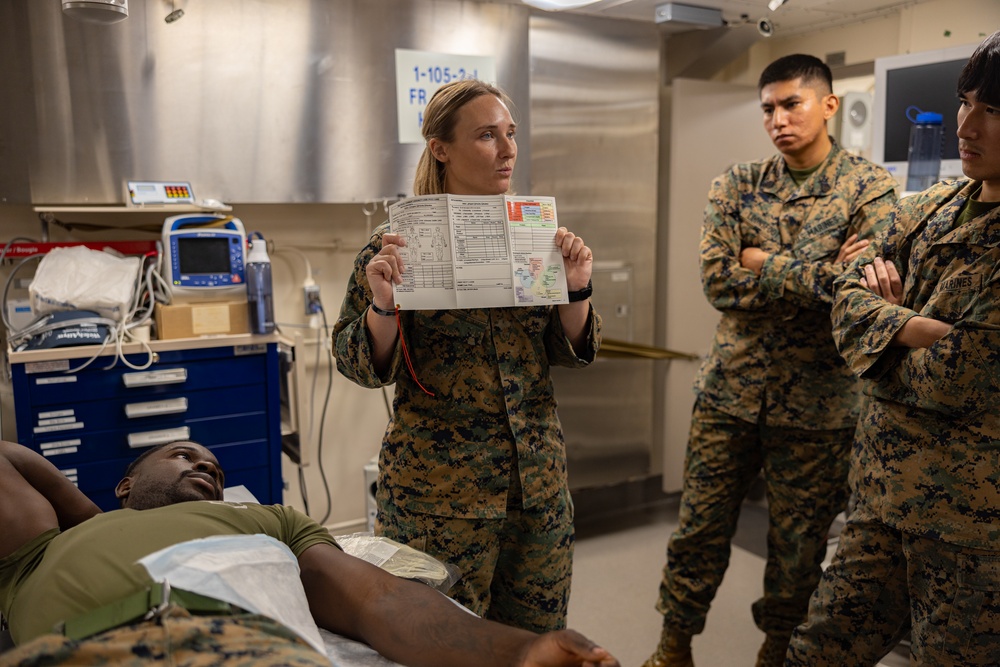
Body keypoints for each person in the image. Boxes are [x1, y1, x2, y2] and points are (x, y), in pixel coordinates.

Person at [642, 55, 899, 667]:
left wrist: (761, 262)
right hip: (729, 394)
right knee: (697, 532)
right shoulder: (735, 184)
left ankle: (777, 652)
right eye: (768, 108)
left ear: (829, 105)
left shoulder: (871, 187)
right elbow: (717, 283)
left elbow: (859, 291)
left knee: (798, 547)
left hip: (819, 408)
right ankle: (673, 647)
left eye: (792, 104)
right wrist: (821, 274)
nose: (778, 119)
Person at [333, 79, 601, 634]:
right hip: (438, 498)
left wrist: (575, 288)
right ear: (441, 148)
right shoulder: (396, 247)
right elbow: (357, 363)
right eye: (486, 136)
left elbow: (568, 352)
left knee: (536, 644)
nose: (507, 150)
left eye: (510, 134)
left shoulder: (534, 238)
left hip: (537, 491)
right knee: (438, 644)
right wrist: (383, 304)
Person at [0, 439, 619, 667]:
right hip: (83, 650)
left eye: (213, 467)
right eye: (182, 455)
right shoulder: (39, 550)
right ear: (126, 484)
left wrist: (521, 649)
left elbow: (380, 599)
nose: (205, 467)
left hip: (237, 648)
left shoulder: (269, 520)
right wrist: (90, 518)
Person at [786, 30, 1000, 667]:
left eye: (994, 110)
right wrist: (915, 326)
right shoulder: (932, 205)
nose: (967, 124)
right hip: (879, 500)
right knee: (815, 653)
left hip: (970, 528)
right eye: (965, 102)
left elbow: (960, 381)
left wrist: (881, 337)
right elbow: (846, 298)